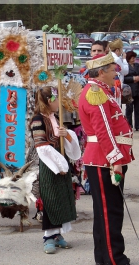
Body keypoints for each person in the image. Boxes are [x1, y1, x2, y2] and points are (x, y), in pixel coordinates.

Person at [78, 52, 139, 265]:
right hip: (104, 160)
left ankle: (103, 256)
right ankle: (116, 261)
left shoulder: (100, 90)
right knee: (110, 211)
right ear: (102, 71)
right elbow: (103, 131)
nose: (116, 72)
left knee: (103, 210)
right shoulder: (95, 92)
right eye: (113, 69)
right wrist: (115, 161)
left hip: (102, 158)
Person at [29, 86, 81, 254]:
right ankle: (48, 237)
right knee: (50, 199)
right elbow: (42, 147)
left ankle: (58, 235)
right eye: (56, 100)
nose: (59, 103)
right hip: (50, 164)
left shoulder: (54, 117)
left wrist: (66, 134)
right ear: (48, 101)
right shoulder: (38, 120)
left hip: (61, 162)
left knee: (62, 198)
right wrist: (59, 166)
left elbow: (64, 141)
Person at [124, 51, 139, 131]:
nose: (133, 59)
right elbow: (124, 78)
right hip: (129, 90)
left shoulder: (138, 66)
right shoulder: (126, 66)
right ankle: (128, 125)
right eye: (132, 58)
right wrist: (133, 78)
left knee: (138, 109)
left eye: (134, 58)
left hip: (138, 90)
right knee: (129, 109)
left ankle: (138, 126)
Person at [109, 39, 129, 106]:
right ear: (117, 50)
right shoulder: (116, 59)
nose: (122, 51)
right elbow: (125, 71)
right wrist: (124, 59)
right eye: (121, 49)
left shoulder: (109, 56)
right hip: (116, 84)